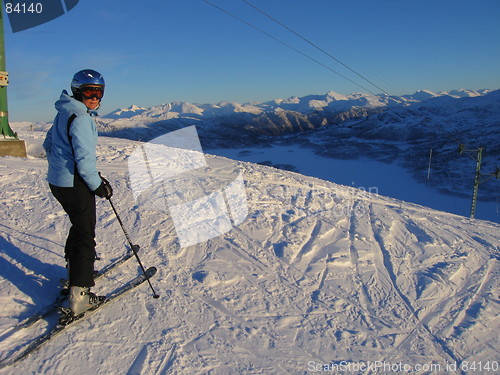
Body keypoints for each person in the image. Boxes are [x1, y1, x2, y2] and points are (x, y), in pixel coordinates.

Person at [43, 69, 113, 316]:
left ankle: (75, 272)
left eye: (99, 93)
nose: (95, 97)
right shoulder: (81, 118)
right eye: (89, 92)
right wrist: (98, 186)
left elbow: (48, 143)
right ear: (77, 91)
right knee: (85, 232)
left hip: (58, 181)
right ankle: (79, 295)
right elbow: (84, 161)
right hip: (74, 183)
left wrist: (60, 166)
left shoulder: (64, 110)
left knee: (78, 225)